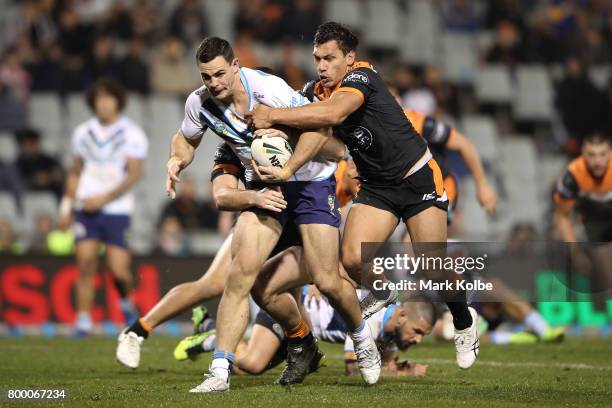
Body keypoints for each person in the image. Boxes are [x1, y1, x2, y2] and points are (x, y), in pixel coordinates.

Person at [126, 37, 380, 393]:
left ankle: (361, 336)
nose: (213, 83)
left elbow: (320, 131)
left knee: (326, 280)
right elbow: (185, 139)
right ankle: (219, 371)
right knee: (239, 277)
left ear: (235, 66)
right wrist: (176, 160)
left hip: (309, 182)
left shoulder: (268, 89)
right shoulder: (199, 103)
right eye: (206, 76)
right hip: (265, 189)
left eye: (219, 74)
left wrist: (289, 167)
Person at [248, 22, 479, 369]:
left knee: (432, 267)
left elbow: (333, 114)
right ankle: (384, 293)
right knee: (354, 259)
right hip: (378, 187)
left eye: (329, 58)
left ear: (349, 57)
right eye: (317, 58)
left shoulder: (362, 77)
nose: (322, 65)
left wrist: (274, 116)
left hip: (417, 179)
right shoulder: (316, 90)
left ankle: (464, 320)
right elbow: (299, 113)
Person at [58, 77, 147, 337]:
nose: (104, 104)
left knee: (118, 271)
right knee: (85, 262)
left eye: (108, 98)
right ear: (92, 102)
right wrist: (65, 207)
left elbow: (132, 175)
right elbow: (75, 172)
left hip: (117, 209)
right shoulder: (82, 133)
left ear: (118, 101)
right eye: (99, 98)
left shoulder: (132, 133)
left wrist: (104, 199)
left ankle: (126, 301)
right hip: (86, 207)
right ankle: (83, 320)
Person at [175, 292, 434, 378]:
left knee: (247, 369)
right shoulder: (370, 316)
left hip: (303, 332)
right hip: (290, 311)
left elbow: (386, 362)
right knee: (253, 363)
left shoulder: (390, 329)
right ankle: (210, 339)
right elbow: (354, 367)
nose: (418, 339)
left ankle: (208, 330)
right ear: (401, 315)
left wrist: (398, 366)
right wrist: (403, 372)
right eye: (417, 332)